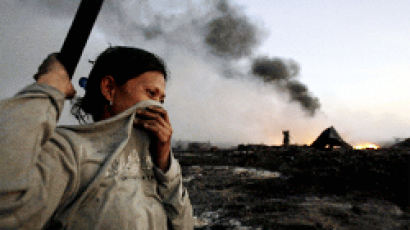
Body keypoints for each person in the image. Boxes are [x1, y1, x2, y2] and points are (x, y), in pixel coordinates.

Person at [0, 46, 194, 229]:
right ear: (109, 88)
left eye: (161, 100)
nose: (158, 107)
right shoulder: (69, 151)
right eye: (150, 93)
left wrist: (165, 165)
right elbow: (9, 207)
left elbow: (184, 225)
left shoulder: (154, 160)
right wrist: (49, 88)